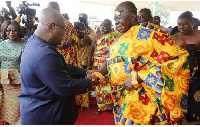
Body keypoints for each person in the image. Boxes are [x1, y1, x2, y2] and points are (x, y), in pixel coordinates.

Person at [91, 1, 190, 125]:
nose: (116, 21)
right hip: (123, 101)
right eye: (114, 18)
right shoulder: (118, 39)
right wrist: (98, 73)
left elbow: (176, 60)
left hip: (148, 102)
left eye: (119, 16)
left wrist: (138, 77)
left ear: (132, 16)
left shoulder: (152, 35)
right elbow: (110, 60)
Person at [19, 8, 96, 125]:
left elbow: (59, 67)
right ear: (51, 27)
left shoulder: (35, 43)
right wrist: (89, 82)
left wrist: (84, 72)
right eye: (63, 29)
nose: (65, 34)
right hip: (47, 118)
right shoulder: (44, 54)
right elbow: (66, 88)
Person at [172, 11, 200, 123]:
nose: (181, 27)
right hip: (178, 77)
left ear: (192, 22)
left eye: (185, 24)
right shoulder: (173, 37)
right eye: (179, 24)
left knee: (195, 108)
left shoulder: (199, 34)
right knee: (179, 107)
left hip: (197, 77)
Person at [87, 19, 120, 115]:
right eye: (103, 24)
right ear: (101, 26)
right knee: (99, 86)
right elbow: (90, 52)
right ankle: (100, 107)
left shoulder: (115, 37)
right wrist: (88, 65)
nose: (105, 26)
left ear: (111, 26)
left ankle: (110, 106)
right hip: (98, 66)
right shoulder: (96, 38)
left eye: (107, 25)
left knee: (110, 86)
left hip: (110, 65)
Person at [0, 20, 25, 125]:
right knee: (4, 106)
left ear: (19, 31)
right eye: (8, 30)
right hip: (3, 83)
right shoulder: (1, 45)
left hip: (18, 82)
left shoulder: (25, 44)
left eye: (14, 30)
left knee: (16, 109)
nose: (11, 33)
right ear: (4, 31)